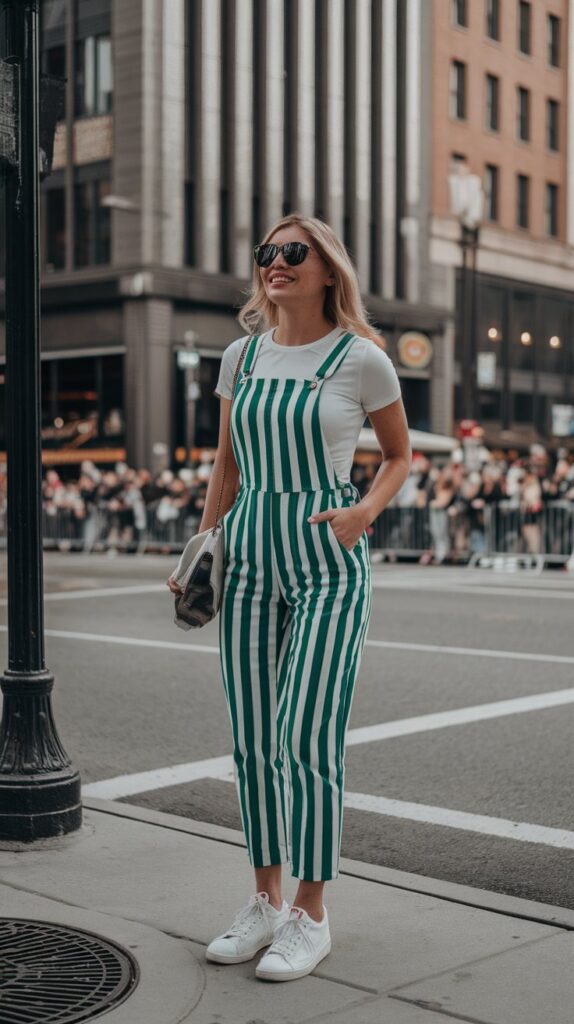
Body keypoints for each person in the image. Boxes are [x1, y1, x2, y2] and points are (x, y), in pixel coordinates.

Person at [167, 213, 411, 982]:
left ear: (328, 270)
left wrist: (364, 512)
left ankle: (311, 912)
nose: (276, 263)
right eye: (268, 253)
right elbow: (225, 467)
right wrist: (200, 547)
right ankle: (264, 900)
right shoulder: (241, 355)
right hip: (244, 555)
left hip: (326, 558)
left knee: (305, 736)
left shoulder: (362, 358)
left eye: (293, 253)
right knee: (252, 736)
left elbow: (399, 456)